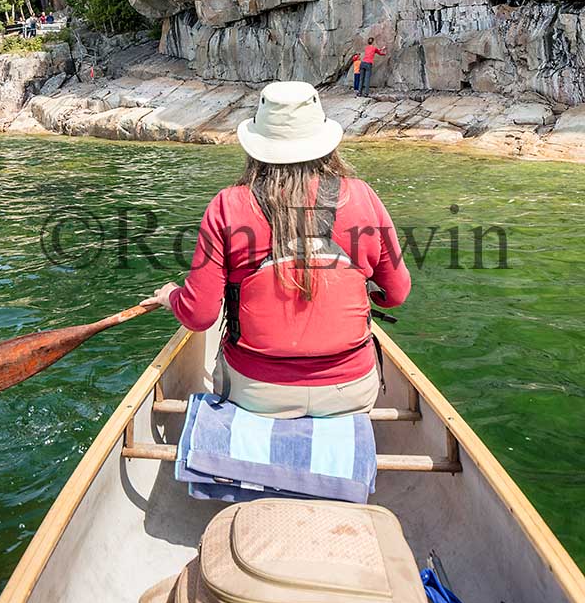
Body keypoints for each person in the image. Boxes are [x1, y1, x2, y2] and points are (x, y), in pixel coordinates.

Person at [142, 81, 410, 418]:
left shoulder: (227, 206)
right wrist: (369, 297)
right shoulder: (362, 196)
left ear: (256, 146)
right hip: (351, 390)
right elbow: (396, 292)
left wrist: (171, 296)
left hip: (257, 390)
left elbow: (199, 316)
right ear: (326, 143)